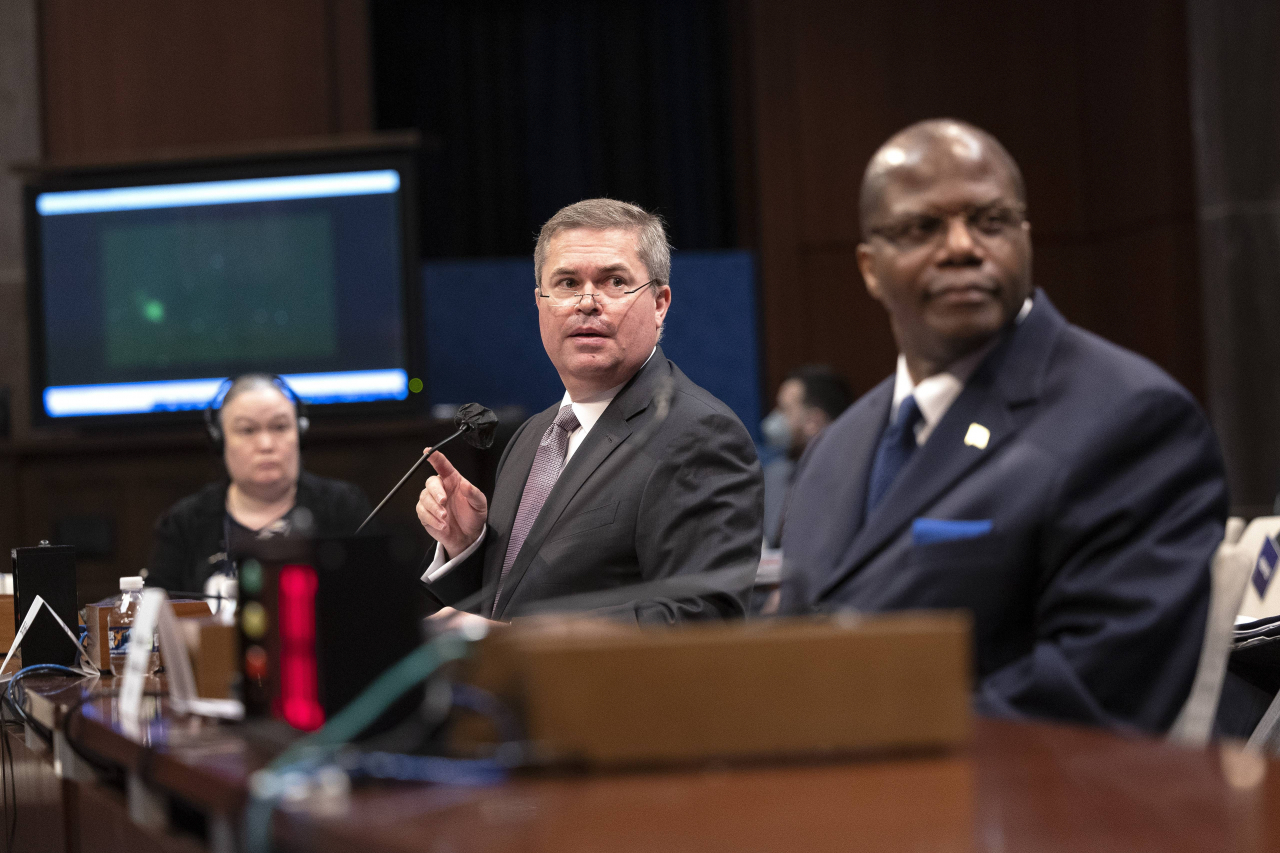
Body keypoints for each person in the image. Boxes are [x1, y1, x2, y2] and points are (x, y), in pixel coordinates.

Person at [778, 119, 1228, 732]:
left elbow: (1093, 695)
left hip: (1009, 813)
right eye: (922, 227)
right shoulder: (835, 450)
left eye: (990, 221)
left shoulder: (1132, 419)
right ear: (869, 268)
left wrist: (868, 753)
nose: (962, 246)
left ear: (1025, 239)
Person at [416, 199, 763, 623]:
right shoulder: (531, 436)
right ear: (540, 303)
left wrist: (515, 642)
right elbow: (502, 606)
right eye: (565, 283)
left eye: (614, 281)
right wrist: (466, 547)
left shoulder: (698, 433)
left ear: (659, 303)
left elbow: (702, 618)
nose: (586, 302)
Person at [147, 374, 373, 594]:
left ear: (300, 433)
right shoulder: (184, 522)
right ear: (220, 439)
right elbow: (156, 615)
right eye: (247, 430)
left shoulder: (343, 507)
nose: (266, 444)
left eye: (280, 427)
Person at [760, 365, 853, 547]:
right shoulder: (775, 476)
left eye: (784, 409)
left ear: (813, 421)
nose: (774, 419)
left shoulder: (854, 476)